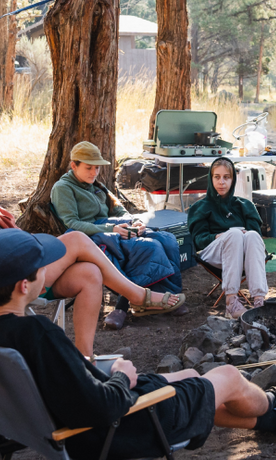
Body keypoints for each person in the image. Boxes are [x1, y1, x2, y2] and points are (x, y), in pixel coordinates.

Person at [0, 229, 276, 460]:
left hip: (62, 428)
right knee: (228, 376)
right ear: (25, 286)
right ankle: (274, 403)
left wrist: (109, 379)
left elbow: (67, 388)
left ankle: (275, 420)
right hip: (110, 431)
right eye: (43, 267)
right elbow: (103, 406)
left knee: (191, 376)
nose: (49, 270)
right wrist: (119, 378)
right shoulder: (38, 334)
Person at [0, 144, 180, 357]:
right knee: (76, 238)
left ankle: (84, 358)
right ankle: (136, 295)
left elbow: (12, 233)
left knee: (89, 273)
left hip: (26, 265)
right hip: (4, 280)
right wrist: (0, 253)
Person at [51, 141, 188, 333]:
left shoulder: (96, 185)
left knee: (167, 240)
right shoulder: (63, 188)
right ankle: (129, 303)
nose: (94, 172)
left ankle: (169, 294)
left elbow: (119, 209)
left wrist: (134, 222)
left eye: (97, 168)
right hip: (89, 237)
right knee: (148, 247)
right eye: (88, 168)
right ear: (74, 165)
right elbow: (72, 224)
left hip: (115, 227)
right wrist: (111, 228)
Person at [187, 157, 270, 319]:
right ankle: (231, 302)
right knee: (234, 234)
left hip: (244, 255)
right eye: (217, 177)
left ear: (233, 180)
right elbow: (199, 240)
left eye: (227, 177)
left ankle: (259, 300)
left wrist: (244, 234)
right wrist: (217, 236)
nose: (222, 182)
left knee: (251, 235)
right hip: (212, 254)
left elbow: (256, 238)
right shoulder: (200, 207)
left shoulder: (245, 206)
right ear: (211, 179)